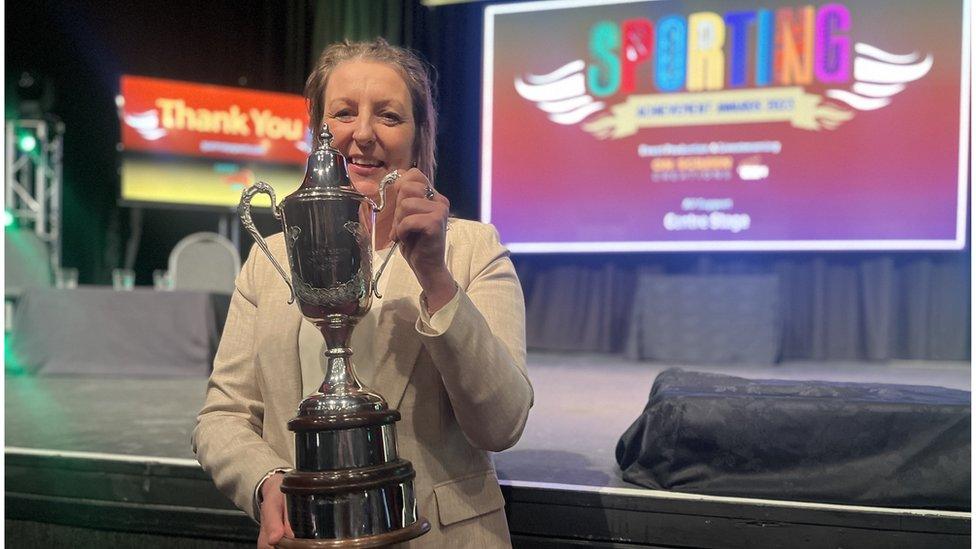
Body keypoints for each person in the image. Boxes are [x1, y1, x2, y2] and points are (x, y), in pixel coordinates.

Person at [192, 38, 533, 548]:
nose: (364, 134)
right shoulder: (270, 263)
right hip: (310, 538)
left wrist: (435, 279)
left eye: (390, 117)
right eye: (344, 113)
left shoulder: (471, 250)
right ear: (319, 133)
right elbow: (223, 417)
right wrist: (266, 480)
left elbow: (501, 424)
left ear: (419, 140)